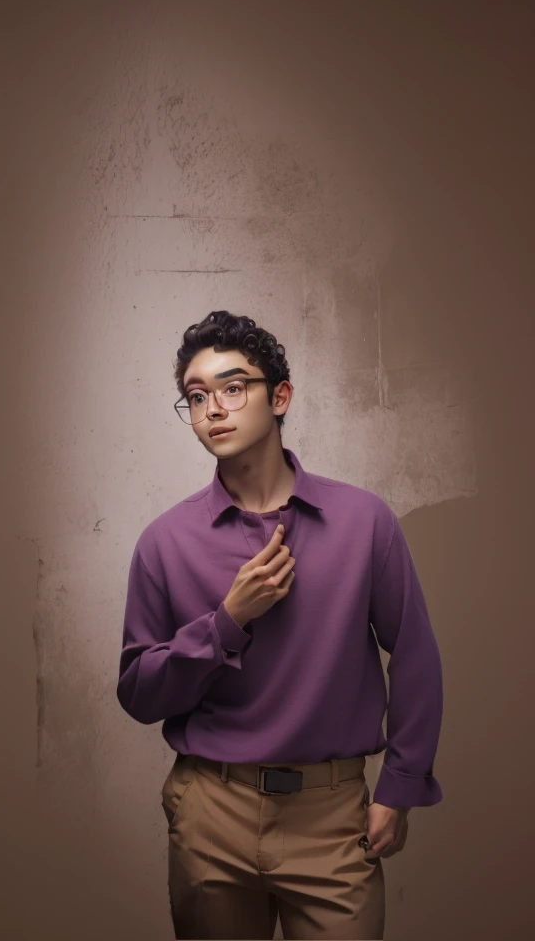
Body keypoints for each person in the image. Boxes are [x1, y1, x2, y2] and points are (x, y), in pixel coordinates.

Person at [117, 310, 443, 941]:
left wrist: (398, 788)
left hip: (333, 818)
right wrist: (227, 621)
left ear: (280, 395)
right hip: (210, 812)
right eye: (197, 396)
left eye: (234, 387)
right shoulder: (164, 542)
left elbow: (415, 654)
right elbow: (138, 693)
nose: (215, 408)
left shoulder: (364, 522)